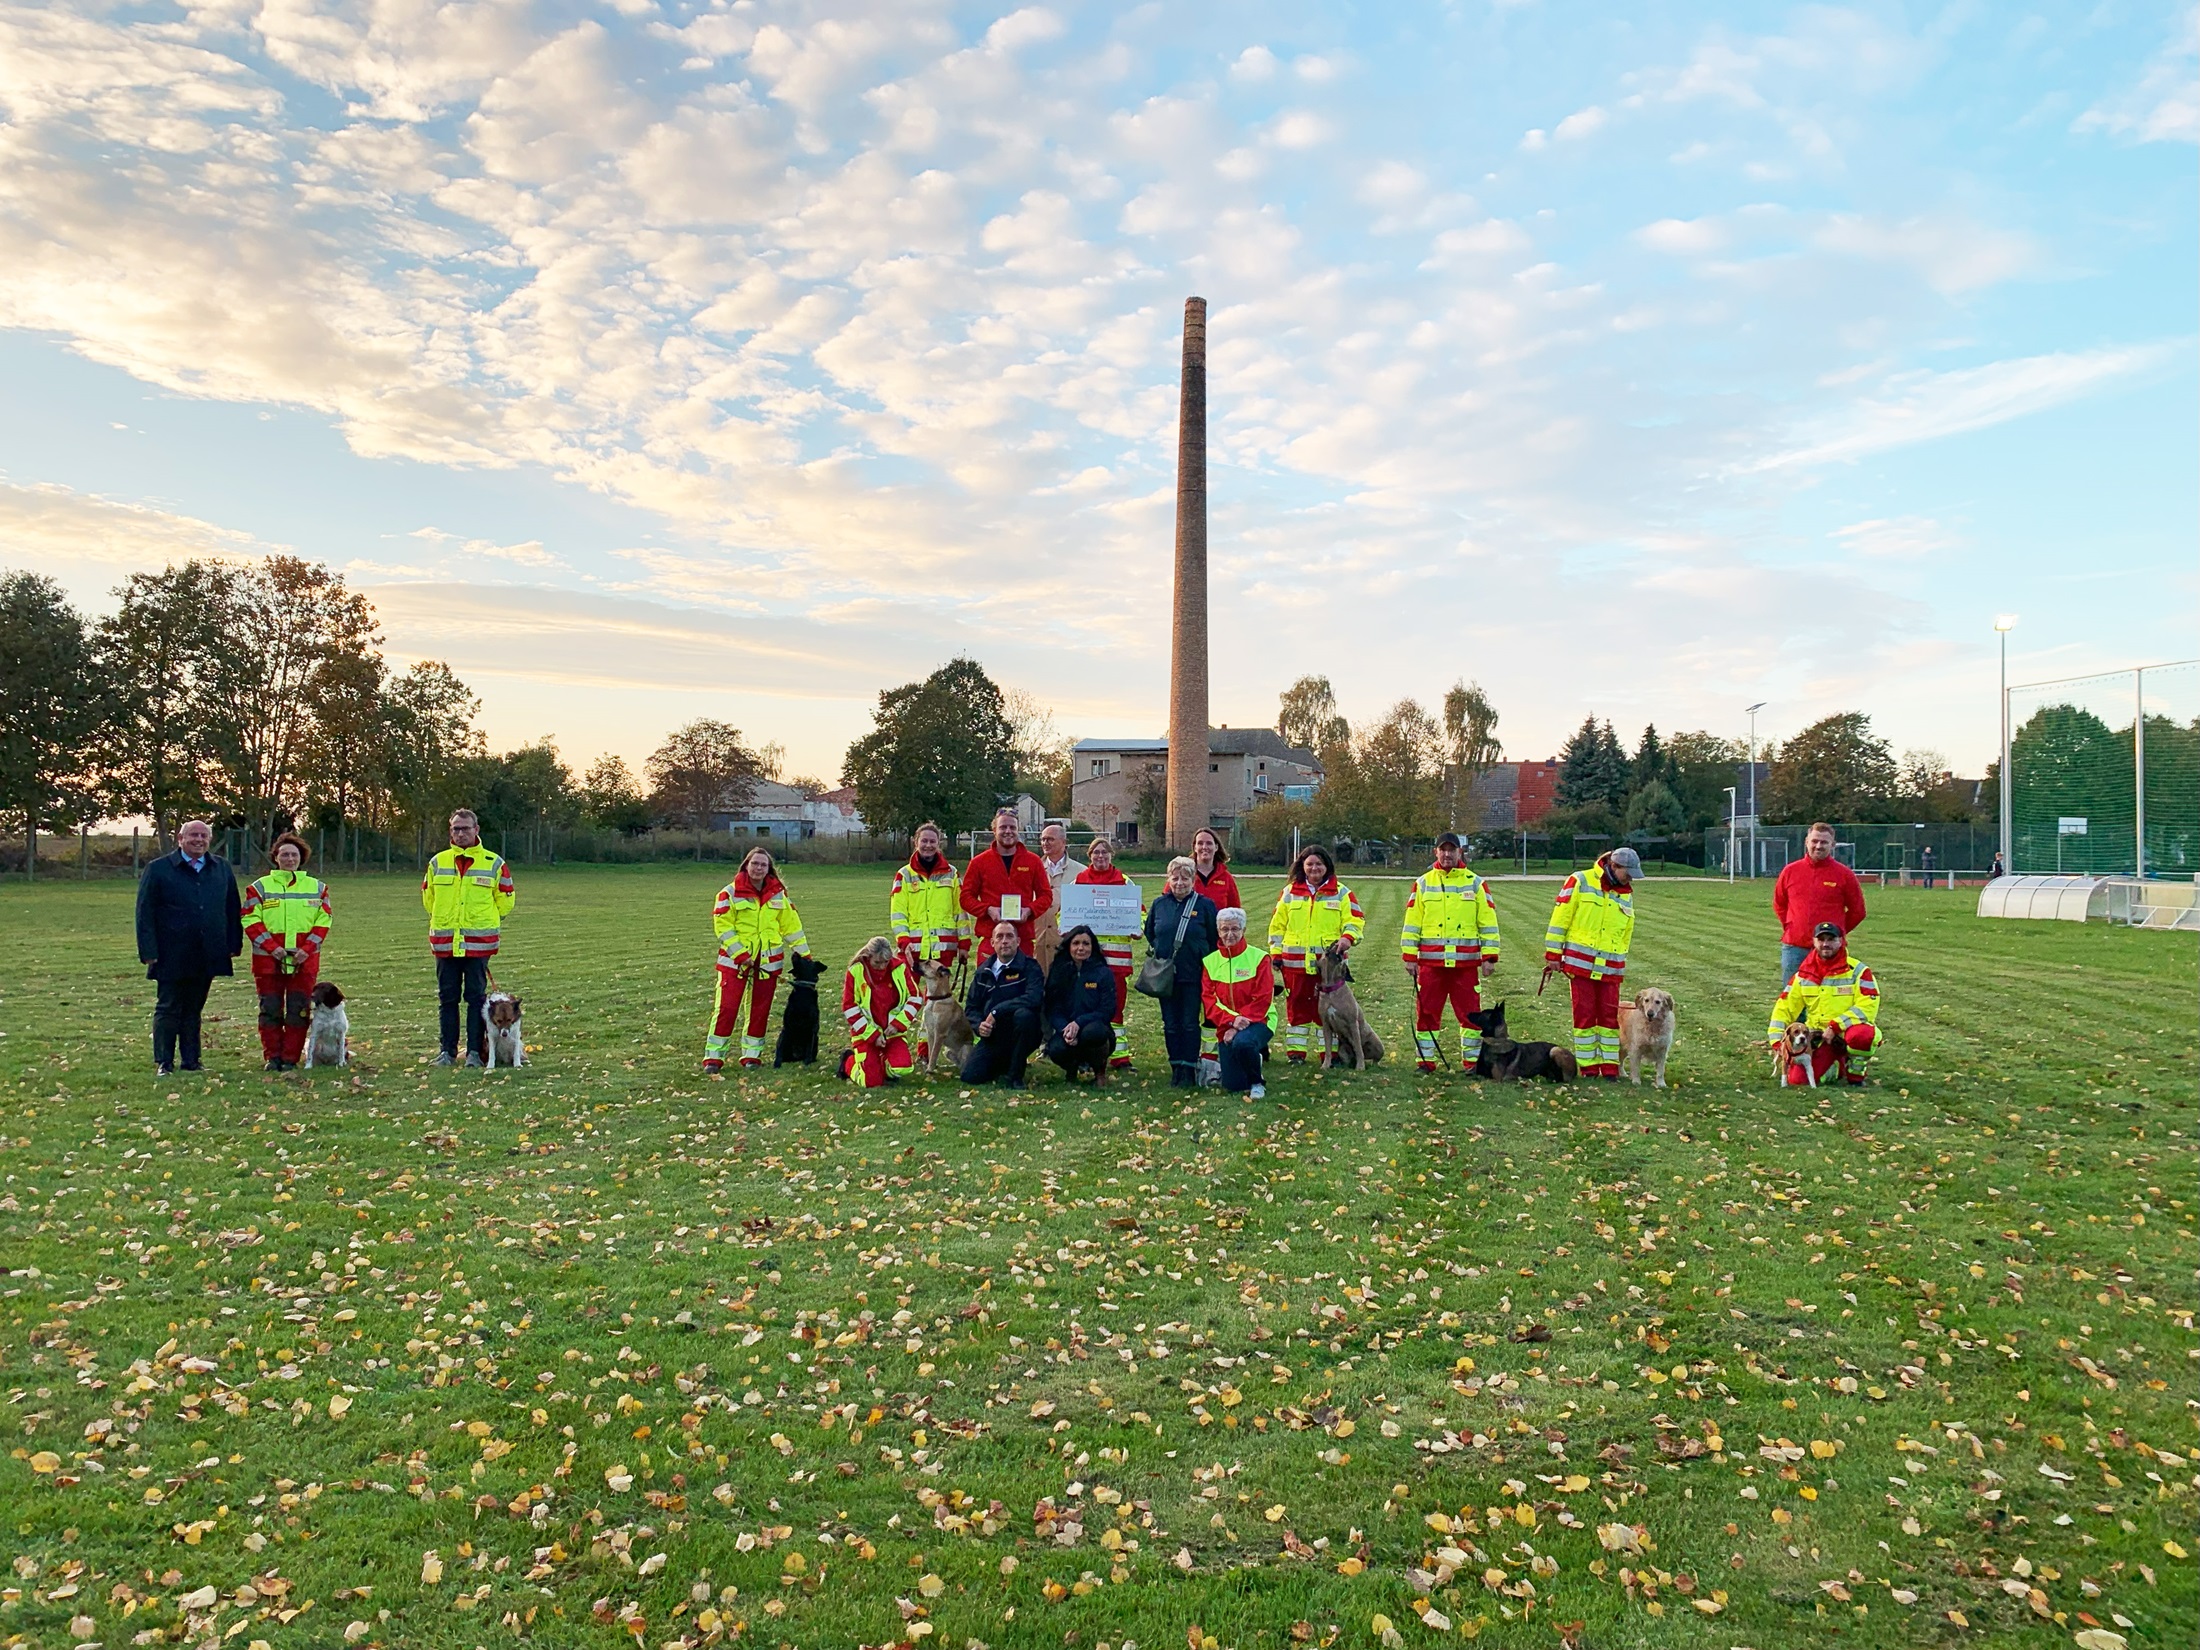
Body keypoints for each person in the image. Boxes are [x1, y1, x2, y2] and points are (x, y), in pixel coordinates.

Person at [136, 818, 243, 1076]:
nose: (198, 840)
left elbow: (232, 907)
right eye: (193, 835)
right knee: (168, 1006)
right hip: (170, 951)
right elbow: (145, 912)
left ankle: (191, 1060)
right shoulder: (159, 869)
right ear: (180, 839)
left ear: (209, 839)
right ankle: (164, 1061)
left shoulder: (221, 868)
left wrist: (233, 943)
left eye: (203, 836)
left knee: (194, 1008)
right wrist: (148, 950)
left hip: (207, 950)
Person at [1400, 832, 1500, 1073]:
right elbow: (1412, 922)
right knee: (1426, 1014)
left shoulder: (1475, 883)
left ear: (1460, 852)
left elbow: (1487, 922)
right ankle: (1425, 1062)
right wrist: (1409, 956)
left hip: (1464, 966)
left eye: (1451, 849)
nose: (1447, 854)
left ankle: (1472, 1064)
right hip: (1430, 965)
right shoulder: (1423, 883)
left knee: (1470, 1017)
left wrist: (1489, 956)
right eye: (1442, 849)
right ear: (1436, 852)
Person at [422, 808, 515, 1067]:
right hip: (445, 943)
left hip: (478, 944)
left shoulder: (494, 862)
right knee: (447, 999)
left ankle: (474, 1052)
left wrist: (487, 922)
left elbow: (506, 900)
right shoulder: (437, 863)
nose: (460, 833)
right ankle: (447, 1052)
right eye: (455, 829)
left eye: (465, 828)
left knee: (477, 1000)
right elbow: (428, 899)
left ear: (476, 830)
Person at [705, 846, 811, 1073]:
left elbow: (792, 927)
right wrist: (741, 955)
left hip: (768, 965)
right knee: (726, 1008)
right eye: (755, 863)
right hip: (734, 964)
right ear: (746, 865)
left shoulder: (778, 895)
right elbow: (723, 927)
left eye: (763, 864)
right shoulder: (729, 893)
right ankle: (714, 1058)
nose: (758, 868)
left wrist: (804, 954)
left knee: (759, 1011)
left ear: (769, 868)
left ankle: (751, 1056)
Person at [1542, 845, 1639, 1080]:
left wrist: (1620, 961)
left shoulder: (1625, 892)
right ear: (1614, 867)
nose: (1631, 878)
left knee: (1608, 1019)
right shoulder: (1579, 881)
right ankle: (1588, 1068)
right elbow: (1560, 919)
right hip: (1581, 964)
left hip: (1610, 968)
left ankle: (1609, 1068)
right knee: (1584, 1017)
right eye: (1628, 872)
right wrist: (1553, 954)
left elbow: (1626, 931)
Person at [239, 832, 332, 1072]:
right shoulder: (259, 888)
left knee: (298, 1010)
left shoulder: (317, 888)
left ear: (301, 857)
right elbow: (250, 919)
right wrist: (274, 949)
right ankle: (273, 1057)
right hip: (268, 962)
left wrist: (307, 950)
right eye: (285, 854)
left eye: (294, 854)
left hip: (304, 962)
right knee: (269, 1009)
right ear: (275, 857)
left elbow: (324, 920)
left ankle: (291, 1058)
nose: (290, 858)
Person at [1267, 845, 1365, 1064]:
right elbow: (1277, 926)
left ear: (1327, 866)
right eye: (1309, 864)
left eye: (1319, 864)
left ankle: (1328, 1054)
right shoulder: (1289, 892)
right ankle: (1296, 1054)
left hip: (1329, 966)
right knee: (1297, 1009)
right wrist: (1276, 953)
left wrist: (1347, 938)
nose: (1314, 868)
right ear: (1302, 866)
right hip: (1295, 964)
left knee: (1331, 1010)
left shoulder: (1342, 892)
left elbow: (1355, 920)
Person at [1768, 921, 1881, 1087]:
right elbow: (1784, 1007)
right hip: (1818, 1036)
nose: (1826, 944)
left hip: (1847, 1032)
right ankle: (1837, 1066)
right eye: (1821, 940)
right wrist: (1777, 1042)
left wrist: (1836, 1026)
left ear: (1841, 941)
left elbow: (1868, 1006)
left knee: (1863, 1036)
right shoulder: (1803, 974)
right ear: (1814, 942)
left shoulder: (1859, 971)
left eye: (1831, 939)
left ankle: (1856, 1076)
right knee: (1798, 1080)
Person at [1144, 856, 1218, 1087]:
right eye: (1175, 878)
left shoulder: (1205, 905)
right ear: (1168, 879)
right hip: (1166, 976)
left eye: (1185, 878)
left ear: (1193, 880)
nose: (1179, 883)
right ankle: (1175, 1066)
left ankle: (1189, 1067)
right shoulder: (1159, 904)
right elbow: (1151, 933)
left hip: (1193, 974)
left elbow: (1214, 938)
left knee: (1189, 1022)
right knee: (1170, 1023)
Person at [1073, 834, 1140, 1071]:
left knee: (1116, 1008)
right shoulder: (1079, 881)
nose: (1100, 857)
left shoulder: (1124, 882)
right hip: (1087, 962)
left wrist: (1137, 927)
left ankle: (1120, 1057)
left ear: (1111, 855)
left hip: (1117, 961)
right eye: (1096, 853)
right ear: (1089, 856)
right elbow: (1065, 914)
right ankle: (1086, 1057)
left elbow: (1139, 913)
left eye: (1104, 852)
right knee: (1086, 1008)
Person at [1772, 822, 1866, 986]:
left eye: (1824, 842)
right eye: (1814, 841)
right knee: (1793, 1000)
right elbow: (1779, 903)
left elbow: (1858, 911)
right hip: (1795, 947)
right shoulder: (1790, 871)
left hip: (1830, 950)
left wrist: (1836, 932)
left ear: (1832, 845)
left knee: (1831, 999)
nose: (1818, 846)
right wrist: (1791, 926)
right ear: (1806, 842)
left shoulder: (1844, 875)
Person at [960, 810, 1053, 963]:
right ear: (994, 830)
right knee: (988, 985)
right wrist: (987, 910)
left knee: (1021, 985)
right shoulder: (979, 862)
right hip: (991, 937)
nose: (1008, 831)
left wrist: (1029, 910)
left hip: (1022, 939)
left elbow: (1046, 895)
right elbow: (965, 898)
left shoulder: (1033, 861)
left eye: (1012, 827)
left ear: (1018, 830)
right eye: (1003, 827)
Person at [1201, 906, 1275, 1098]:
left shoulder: (1259, 958)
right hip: (1226, 1024)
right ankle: (1251, 1060)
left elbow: (1263, 998)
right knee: (1233, 1085)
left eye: (1235, 929)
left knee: (1242, 1043)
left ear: (1243, 930)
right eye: (1225, 929)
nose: (1230, 934)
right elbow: (1209, 1001)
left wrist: (1237, 1025)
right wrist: (1231, 1021)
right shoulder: (1210, 962)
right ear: (1218, 931)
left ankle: (1257, 1083)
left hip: (1261, 1020)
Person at [962, 920, 1045, 1087]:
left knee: (1025, 1016)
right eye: (999, 937)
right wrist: (979, 1026)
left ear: (1018, 941)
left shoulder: (1030, 967)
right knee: (970, 1076)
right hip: (994, 1035)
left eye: (1009, 936)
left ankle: (1015, 1076)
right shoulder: (983, 972)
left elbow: (1034, 998)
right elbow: (971, 1007)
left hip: (1023, 1030)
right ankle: (1006, 1062)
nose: (1004, 941)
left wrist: (996, 1011)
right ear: (992, 943)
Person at [841, 936, 921, 1087]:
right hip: (866, 1033)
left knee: (903, 1068)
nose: (882, 966)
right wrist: (872, 1035)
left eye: (886, 962)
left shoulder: (899, 967)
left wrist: (898, 1024)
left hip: (893, 1032)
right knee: (870, 1082)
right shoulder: (855, 971)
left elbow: (916, 998)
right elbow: (849, 1007)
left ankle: (881, 1063)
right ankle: (848, 1062)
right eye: (877, 963)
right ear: (868, 957)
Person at [1044, 925, 1117, 1084]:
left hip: (1094, 1029)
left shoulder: (1103, 973)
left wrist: (1079, 1023)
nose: (1081, 948)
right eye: (1076, 943)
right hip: (1067, 1029)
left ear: (1093, 946)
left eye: (1086, 943)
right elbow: (1052, 1007)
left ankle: (1099, 1072)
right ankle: (1071, 1071)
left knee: (1094, 1032)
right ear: (1068, 946)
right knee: (1056, 1049)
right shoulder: (1058, 971)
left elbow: (1107, 1010)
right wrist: (1066, 1028)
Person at [1033, 823, 1085, 974]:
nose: (1045, 843)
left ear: (1064, 842)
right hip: (1037, 942)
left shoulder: (1081, 872)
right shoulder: (1032, 868)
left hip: (1067, 944)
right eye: (1042, 839)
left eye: (1050, 839)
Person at [1191, 827, 1240, 914]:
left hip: (1217, 927)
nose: (1204, 847)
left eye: (1209, 843)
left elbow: (1236, 912)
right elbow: (1167, 903)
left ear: (1216, 847)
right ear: (1195, 847)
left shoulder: (1226, 878)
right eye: (1200, 843)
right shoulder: (1184, 874)